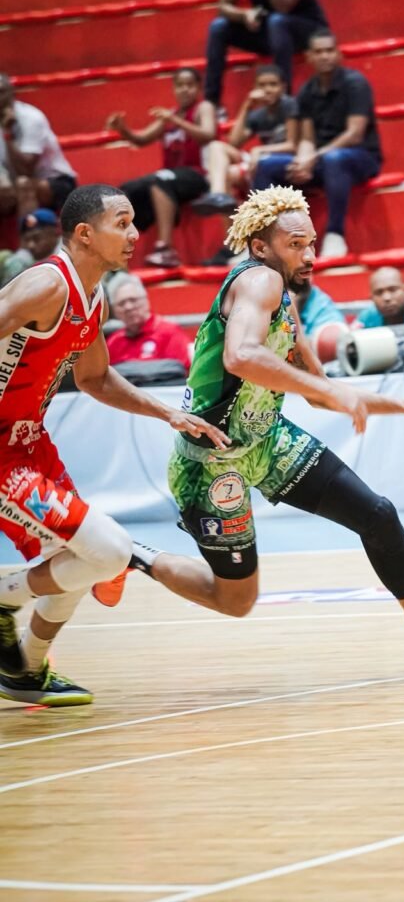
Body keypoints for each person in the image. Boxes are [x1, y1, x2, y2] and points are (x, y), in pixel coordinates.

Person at [123, 186, 404, 673]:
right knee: (235, 599)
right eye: (295, 245)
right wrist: (335, 393)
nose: (309, 255)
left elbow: (319, 389)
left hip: (265, 440)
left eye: (310, 243)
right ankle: (131, 555)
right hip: (210, 459)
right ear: (261, 246)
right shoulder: (258, 281)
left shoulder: (282, 296)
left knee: (376, 514)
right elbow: (241, 356)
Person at [0, 184, 228, 707]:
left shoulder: (94, 296)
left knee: (73, 562)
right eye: (122, 223)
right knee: (108, 551)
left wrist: (168, 411)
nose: (134, 234)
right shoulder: (46, 286)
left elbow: (97, 379)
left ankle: (26, 670)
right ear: (85, 233)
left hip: (29, 442)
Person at [252, 30, 382, 258]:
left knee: (335, 158)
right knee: (266, 166)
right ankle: (268, 240)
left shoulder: (355, 83)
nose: (325, 56)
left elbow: (354, 134)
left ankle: (334, 235)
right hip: (322, 159)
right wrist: (303, 161)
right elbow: (307, 138)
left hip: (360, 157)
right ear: (309, 57)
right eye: (319, 52)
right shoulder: (307, 91)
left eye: (329, 51)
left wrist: (314, 158)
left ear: (339, 54)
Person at [106, 67, 234, 269]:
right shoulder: (171, 115)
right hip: (175, 178)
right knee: (127, 190)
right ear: (174, 89)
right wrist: (123, 129)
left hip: (200, 174)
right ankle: (117, 249)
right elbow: (141, 140)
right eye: (180, 85)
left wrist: (175, 121)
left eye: (190, 85)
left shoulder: (203, 108)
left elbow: (208, 134)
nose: (185, 90)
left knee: (160, 179)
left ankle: (166, 249)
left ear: (198, 88)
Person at [203, 63, 299, 265]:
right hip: (261, 164)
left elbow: (293, 144)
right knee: (216, 148)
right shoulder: (258, 114)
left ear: (283, 87)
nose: (267, 90)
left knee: (231, 170)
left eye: (273, 84)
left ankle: (238, 243)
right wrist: (247, 105)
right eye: (262, 85)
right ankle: (219, 197)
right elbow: (234, 142)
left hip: (285, 164)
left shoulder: (290, 105)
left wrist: (260, 150)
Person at [0, 73, 77, 220]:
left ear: (12, 93)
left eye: (1, 92)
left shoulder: (30, 118)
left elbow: (25, 170)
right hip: (11, 182)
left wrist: (8, 135)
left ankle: (28, 239)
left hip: (56, 183)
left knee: (23, 184)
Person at [107, 273, 191, 371]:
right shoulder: (113, 342)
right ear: (114, 310)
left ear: (146, 300)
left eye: (133, 300)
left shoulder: (170, 333)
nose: (128, 307)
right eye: (121, 303)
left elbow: (184, 374)